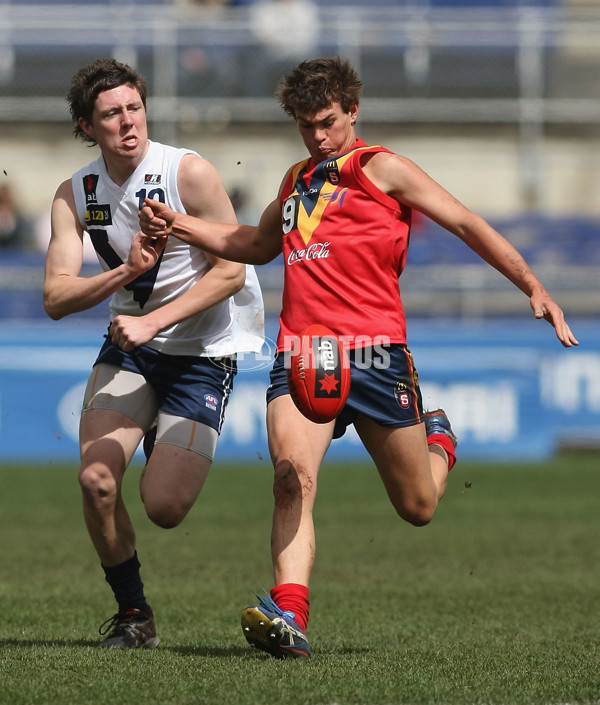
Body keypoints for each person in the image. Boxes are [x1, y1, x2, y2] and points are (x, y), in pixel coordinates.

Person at [139, 56, 579, 659]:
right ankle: (289, 614)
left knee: (418, 507)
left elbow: (465, 222)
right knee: (291, 477)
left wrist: (532, 285)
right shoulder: (295, 180)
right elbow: (254, 244)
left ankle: (439, 440)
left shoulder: (384, 169)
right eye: (304, 125)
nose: (317, 137)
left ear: (353, 112)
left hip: (376, 358)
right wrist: (180, 223)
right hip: (300, 354)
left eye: (326, 122)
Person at [43, 58, 264, 649]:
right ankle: (134, 616)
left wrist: (154, 321)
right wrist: (126, 277)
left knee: (164, 506)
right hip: (131, 350)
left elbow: (233, 274)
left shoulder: (186, 172)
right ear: (88, 127)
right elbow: (56, 296)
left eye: (134, 108)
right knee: (96, 481)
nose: (128, 123)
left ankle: (167, 441)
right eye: (111, 114)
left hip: (202, 352)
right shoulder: (77, 192)